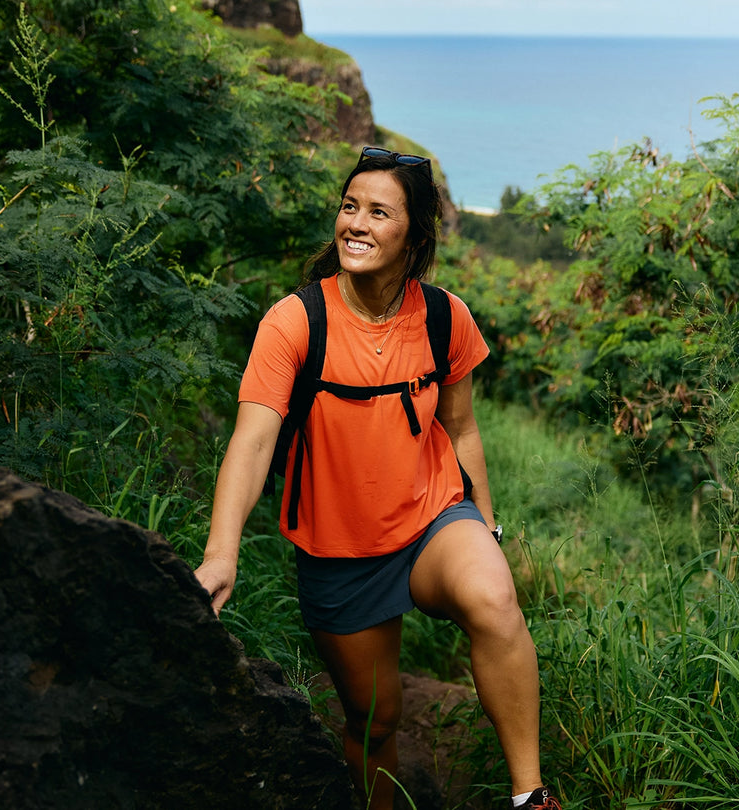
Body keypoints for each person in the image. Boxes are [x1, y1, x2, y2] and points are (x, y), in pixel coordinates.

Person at [194, 147, 560, 810]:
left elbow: (462, 427)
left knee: (495, 600)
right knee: (376, 720)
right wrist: (222, 553)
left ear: (413, 237)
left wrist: (485, 520)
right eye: (349, 206)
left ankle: (530, 797)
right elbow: (251, 442)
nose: (355, 224)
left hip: (431, 520)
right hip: (340, 551)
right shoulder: (294, 322)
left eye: (378, 212)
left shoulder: (445, 318)